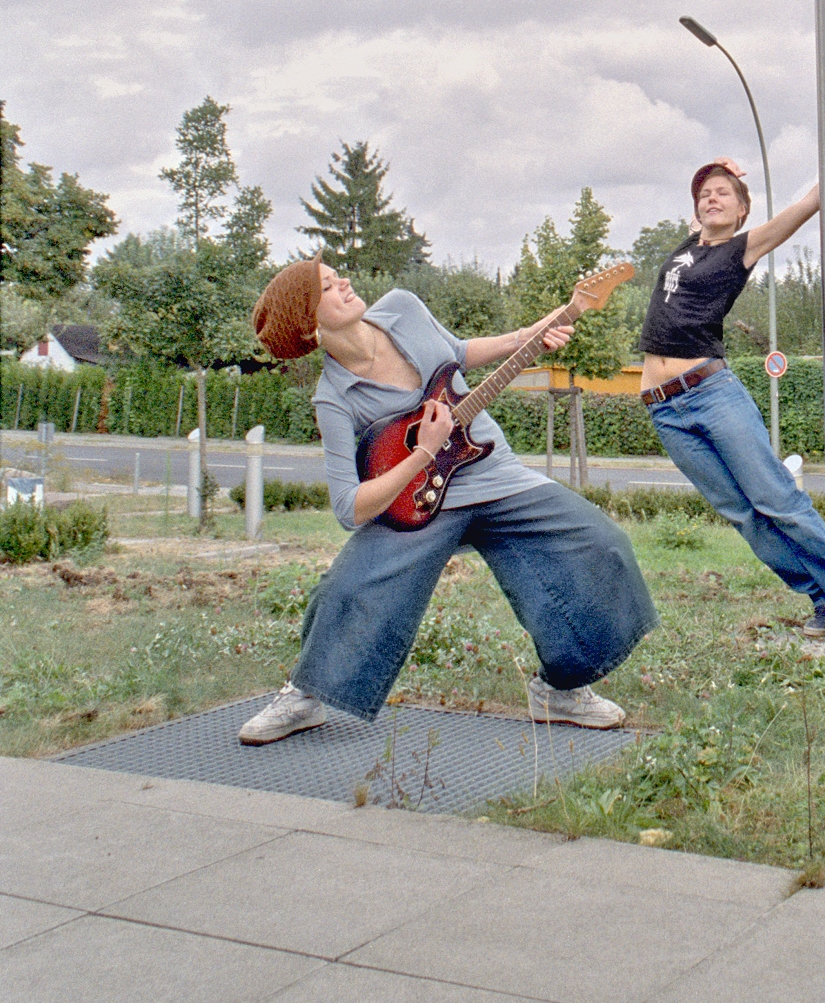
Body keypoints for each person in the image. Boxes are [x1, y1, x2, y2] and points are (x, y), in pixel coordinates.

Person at [238, 258, 657, 745]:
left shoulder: (402, 308)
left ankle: (559, 692)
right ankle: (306, 694)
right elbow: (349, 508)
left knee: (602, 543)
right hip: (418, 502)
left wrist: (528, 335)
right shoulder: (333, 396)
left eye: (337, 274)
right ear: (310, 325)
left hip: (492, 473)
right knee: (350, 586)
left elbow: (456, 351)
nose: (345, 282)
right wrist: (423, 453)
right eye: (328, 287)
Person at [639, 126, 825, 638]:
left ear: (742, 211)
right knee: (743, 515)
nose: (711, 198)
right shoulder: (688, 247)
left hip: (710, 394)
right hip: (663, 408)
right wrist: (719, 168)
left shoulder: (742, 247)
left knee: (776, 499)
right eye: (704, 194)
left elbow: (805, 206)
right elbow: (707, 196)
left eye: (723, 194)